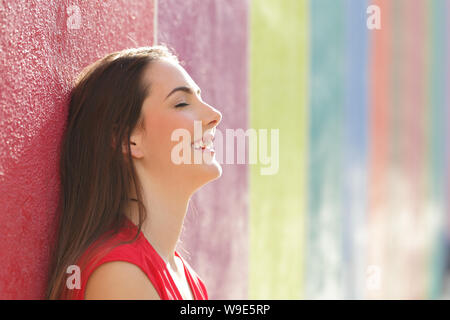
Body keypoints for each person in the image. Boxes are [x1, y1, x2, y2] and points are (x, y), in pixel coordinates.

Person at [45, 46, 222, 299]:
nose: (214, 115)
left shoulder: (188, 279)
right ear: (129, 139)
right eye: (182, 103)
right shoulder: (120, 273)